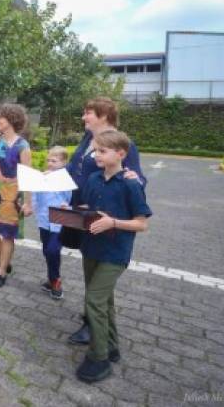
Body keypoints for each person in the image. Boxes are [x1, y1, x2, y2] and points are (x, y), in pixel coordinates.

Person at [66, 96, 146, 343]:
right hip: (82, 210)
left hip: (102, 216)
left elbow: (136, 178)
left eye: (88, 113)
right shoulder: (87, 139)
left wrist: (136, 180)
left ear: (103, 115)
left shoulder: (120, 143)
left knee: (99, 270)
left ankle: (93, 325)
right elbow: (75, 168)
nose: (83, 117)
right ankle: (95, 320)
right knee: (90, 262)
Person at [74, 129, 151, 383]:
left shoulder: (130, 184)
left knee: (94, 301)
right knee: (104, 301)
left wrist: (113, 223)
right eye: (95, 150)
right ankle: (112, 346)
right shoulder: (94, 178)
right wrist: (71, 210)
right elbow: (89, 208)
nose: (96, 154)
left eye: (102, 151)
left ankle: (99, 358)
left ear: (121, 154)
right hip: (91, 248)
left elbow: (141, 224)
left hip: (114, 252)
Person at [0, 104, 32, 289]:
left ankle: (1, 271)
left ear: (10, 120)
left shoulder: (23, 147)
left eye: (0, 117)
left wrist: (28, 203)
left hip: (13, 194)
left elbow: (27, 177)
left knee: (8, 234)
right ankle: (5, 261)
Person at [30, 146, 72, 300]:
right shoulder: (42, 176)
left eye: (54, 161)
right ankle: (51, 278)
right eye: (48, 160)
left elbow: (70, 199)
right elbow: (35, 196)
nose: (50, 163)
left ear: (64, 162)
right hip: (43, 220)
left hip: (60, 220)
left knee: (52, 250)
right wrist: (29, 207)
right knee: (46, 250)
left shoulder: (66, 179)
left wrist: (68, 207)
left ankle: (56, 281)